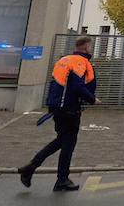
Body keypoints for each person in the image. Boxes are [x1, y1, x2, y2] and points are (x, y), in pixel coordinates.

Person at [18, 35, 100, 191]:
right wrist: (92, 99)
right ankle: (62, 179)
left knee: (61, 141)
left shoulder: (63, 61)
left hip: (57, 107)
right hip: (69, 108)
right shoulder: (80, 62)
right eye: (90, 46)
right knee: (68, 143)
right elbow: (78, 86)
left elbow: (55, 84)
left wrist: (52, 106)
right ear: (86, 47)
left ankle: (30, 167)